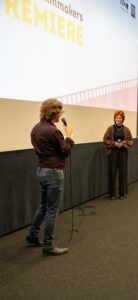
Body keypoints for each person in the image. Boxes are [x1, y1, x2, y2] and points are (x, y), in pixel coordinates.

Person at [26, 98, 74, 256]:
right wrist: (68, 137)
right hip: (53, 172)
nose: (61, 114)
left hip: (42, 170)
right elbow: (65, 151)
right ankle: (48, 245)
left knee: (44, 205)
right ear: (54, 112)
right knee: (52, 210)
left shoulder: (36, 128)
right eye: (60, 111)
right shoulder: (53, 131)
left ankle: (32, 236)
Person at [103, 110, 133, 200]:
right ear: (114, 119)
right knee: (112, 172)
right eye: (116, 118)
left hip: (123, 152)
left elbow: (131, 140)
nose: (118, 119)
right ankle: (112, 194)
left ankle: (122, 194)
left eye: (120, 118)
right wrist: (114, 143)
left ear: (122, 119)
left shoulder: (126, 129)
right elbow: (105, 139)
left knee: (122, 172)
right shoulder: (110, 129)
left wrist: (124, 142)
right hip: (113, 152)